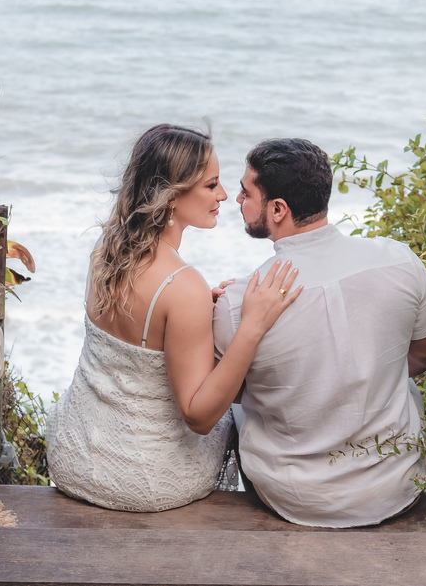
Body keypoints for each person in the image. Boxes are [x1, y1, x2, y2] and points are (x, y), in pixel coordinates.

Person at [45, 124, 302, 512]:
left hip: (72, 456)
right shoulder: (183, 287)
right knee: (238, 412)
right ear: (171, 195)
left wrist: (196, 310)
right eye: (211, 185)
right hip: (143, 480)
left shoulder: (108, 248)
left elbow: (137, 330)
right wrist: (252, 326)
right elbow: (198, 417)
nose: (223, 196)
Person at [213, 137, 426, 528]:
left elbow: (227, 392)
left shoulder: (237, 304)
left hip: (295, 498)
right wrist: (356, 383)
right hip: (396, 486)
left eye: (245, 191)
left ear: (278, 209)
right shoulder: (399, 261)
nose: (236, 199)